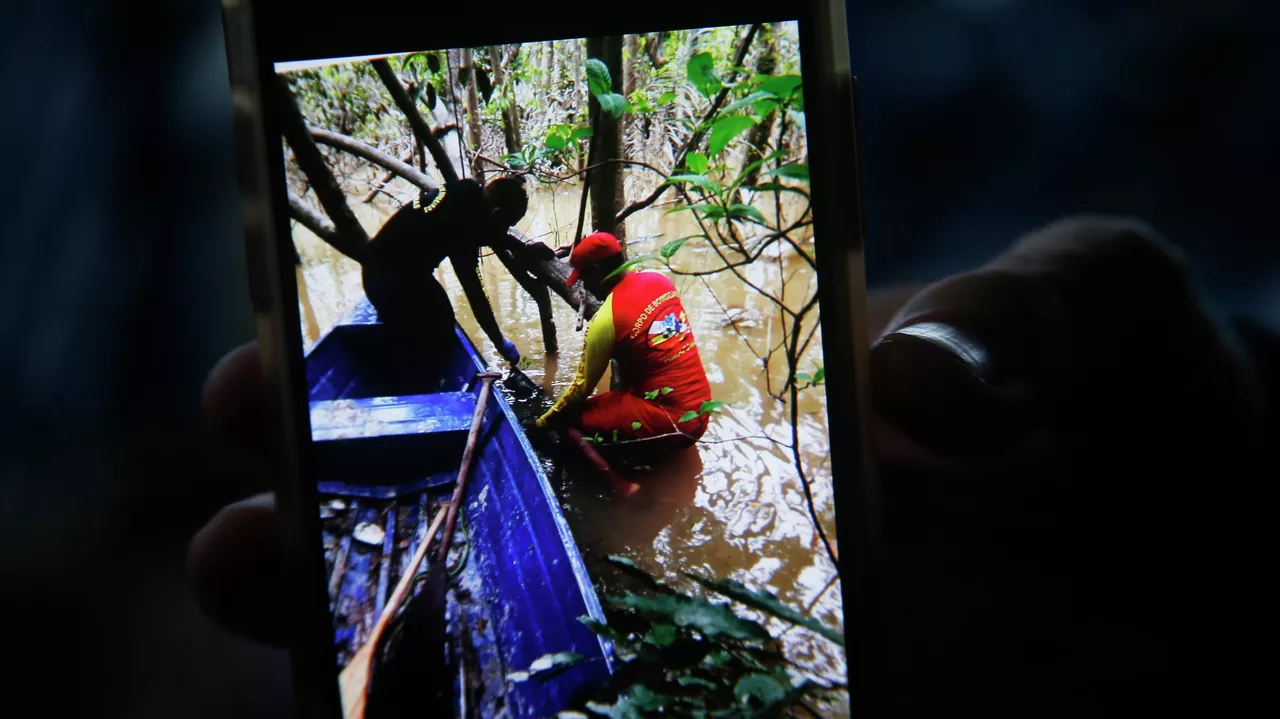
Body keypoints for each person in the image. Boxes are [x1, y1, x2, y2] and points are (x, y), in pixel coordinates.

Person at [191, 215, 1266, 715]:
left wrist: (539, 407)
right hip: (690, 415)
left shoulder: (611, 314)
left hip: (658, 429)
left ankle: (629, 516)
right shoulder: (647, 292)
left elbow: (576, 394)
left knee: (584, 440)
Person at [534, 232, 713, 448]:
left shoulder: (605, 319)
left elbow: (580, 388)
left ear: (597, 271)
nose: (585, 287)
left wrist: (543, 422)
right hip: (702, 411)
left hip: (672, 422)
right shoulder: (660, 280)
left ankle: (620, 482)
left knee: (571, 417)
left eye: (584, 279)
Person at [361, 175, 527, 366]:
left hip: (393, 270)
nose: (506, 231)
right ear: (496, 213)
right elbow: (475, 293)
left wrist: (524, 248)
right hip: (386, 281)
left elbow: (488, 233)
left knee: (441, 318)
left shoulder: (469, 191)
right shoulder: (462, 227)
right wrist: (499, 342)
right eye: (508, 224)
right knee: (438, 335)